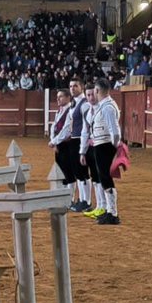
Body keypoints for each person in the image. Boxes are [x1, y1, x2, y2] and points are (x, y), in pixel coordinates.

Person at [80, 81, 123, 225]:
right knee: (104, 178)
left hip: (104, 145)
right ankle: (109, 211)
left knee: (105, 178)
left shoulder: (107, 107)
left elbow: (114, 131)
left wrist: (114, 146)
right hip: (101, 145)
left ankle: (113, 213)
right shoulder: (105, 106)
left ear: (98, 90)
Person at [48, 88, 79, 197]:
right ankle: (63, 196)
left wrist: (54, 142)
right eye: (57, 97)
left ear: (68, 97)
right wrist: (54, 142)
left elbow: (66, 130)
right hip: (59, 145)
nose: (58, 99)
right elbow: (54, 127)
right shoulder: (59, 111)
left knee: (68, 172)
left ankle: (70, 198)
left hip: (68, 145)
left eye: (60, 96)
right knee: (61, 170)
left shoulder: (71, 110)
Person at [66, 77, 91, 211]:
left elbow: (87, 125)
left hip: (81, 139)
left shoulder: (84, 104)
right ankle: (82, 199)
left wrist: (84, 145)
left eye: (75, 86)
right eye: (71, 86)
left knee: (82, 172)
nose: (72, 88)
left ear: (82, 87)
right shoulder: (74, 103)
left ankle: (86, 201)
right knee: (78, 172)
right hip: (74, 139)